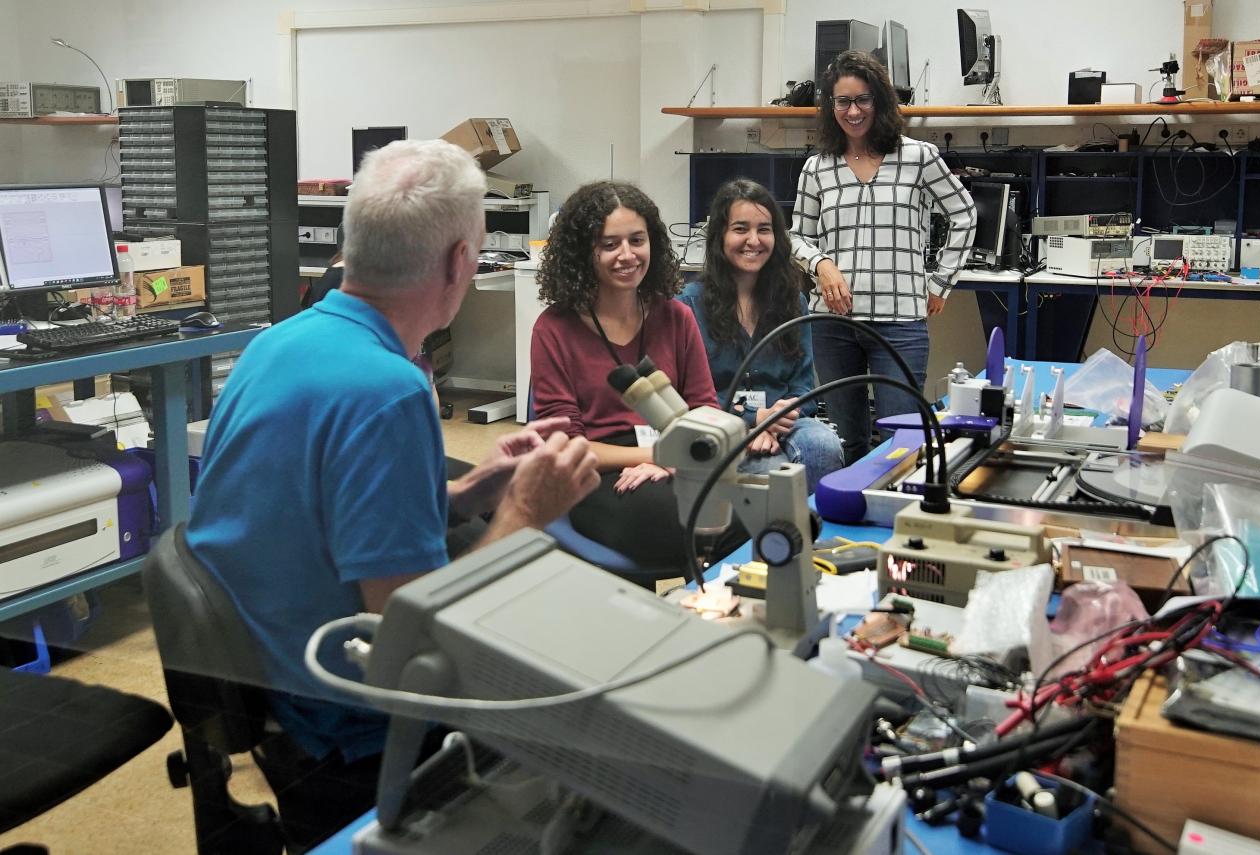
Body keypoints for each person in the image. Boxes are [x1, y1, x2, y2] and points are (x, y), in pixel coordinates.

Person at [185, 139, 599, 850]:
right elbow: (410, 645)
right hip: (344, 725)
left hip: (270, 682)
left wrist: (467, 493)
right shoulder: (389, 390)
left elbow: (316, 514)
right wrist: (526, 512)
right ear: (459, 262)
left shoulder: (276, 344)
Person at [530, 180, 745, 577]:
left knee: (746, 518)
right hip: (597, 474)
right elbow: (565, 449)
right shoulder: (553, 329)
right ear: (583, 252)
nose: (626, 255)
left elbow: (704, 411)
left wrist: (672, 462)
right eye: (609, 244)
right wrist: (658, 457)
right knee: (685, 519)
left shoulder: (676, 317)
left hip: (677, 460)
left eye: (636, 240)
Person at [792, 50, 976, 463]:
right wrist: (821, 264)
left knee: (902, 442)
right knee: (846, 440)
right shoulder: (816, 168)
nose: (853, 111)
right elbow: (796, 237)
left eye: (863, 100)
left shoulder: (918, 157)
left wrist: (940, 282)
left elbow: (964, 214)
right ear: (831, 106)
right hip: (833, 323)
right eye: (843, 101)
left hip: (900, 323)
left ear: (880, 101)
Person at [677, 179, 844, 493]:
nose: (753, 240)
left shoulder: (794, 302)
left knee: (824, 447)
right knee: (768, 469)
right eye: (740, 228)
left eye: (764, 229)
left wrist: (778, 417)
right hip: (717, 422)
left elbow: (804, 386)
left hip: (786, 422)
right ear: (720, 237)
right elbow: (686, 395)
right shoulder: (687, 307)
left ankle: (813, 535)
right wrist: (751, 421)